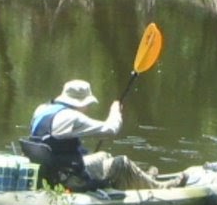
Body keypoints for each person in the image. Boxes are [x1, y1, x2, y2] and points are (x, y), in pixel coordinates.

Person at [27, 79, 185, 190]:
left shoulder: (42, 109)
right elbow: (110, 129)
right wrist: (115, 112)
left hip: (50, 171)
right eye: (87, 104)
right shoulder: (72, 117)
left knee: (104, 156)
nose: (88, 108)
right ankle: (161, 187)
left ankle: (142, 179)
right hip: (67, 177)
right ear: (80, 103)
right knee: (121, 163)